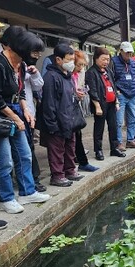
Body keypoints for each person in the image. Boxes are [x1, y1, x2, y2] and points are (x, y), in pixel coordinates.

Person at [0, 28, 50, 214]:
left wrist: (26, 110)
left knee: (24, 154)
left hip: (16, 109)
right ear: (18, 47)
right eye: (33, 51)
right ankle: (6, 199)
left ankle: (27, 192)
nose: (35, 55)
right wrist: (15, 117)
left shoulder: (22, 65)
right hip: (0, 114)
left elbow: (20, 91)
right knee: (4, 160)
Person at [42, 44, 85, 187]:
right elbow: (48, 104)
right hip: (57, 122)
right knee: (56, 150)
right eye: (69, 59)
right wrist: (52, 124)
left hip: (69, 120)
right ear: (58, 60)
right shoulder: (51, 77)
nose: (71, 63)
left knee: (69, 148)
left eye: (73, 59)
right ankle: (57, 175)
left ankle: (70, 171)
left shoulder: (67, 76)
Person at [85, 47, 125, 161]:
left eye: (107, 59)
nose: (106, 62)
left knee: (113, 126)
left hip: (111, 103)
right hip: (100, 104)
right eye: (103, 59)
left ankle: (114, 148)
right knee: (99, 128)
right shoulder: (91, 72)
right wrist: (97, 106)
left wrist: (116, 101)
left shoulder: (109, 71)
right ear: (96, 59)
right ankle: (98, 150)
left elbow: (113, 86)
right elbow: (92, 90)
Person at [72, 50, 98, 172]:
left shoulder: (79, 73)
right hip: (66, 111)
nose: (81, 68)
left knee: (78, 135)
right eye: (79, 65)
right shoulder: (66, 74)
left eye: (83, 65)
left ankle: (82, 162)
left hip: (75, 107)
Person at [112, 41, 135, 151]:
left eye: (131, 53)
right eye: (127, 52)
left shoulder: (133, 63)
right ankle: (118, 142)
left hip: (132, 93)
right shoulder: (113, 62)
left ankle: (130, 140)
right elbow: (111, 77)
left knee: (133, 118)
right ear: (121, 51)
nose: (129, 55)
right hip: (121, 93)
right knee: (119, 120)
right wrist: (116, 91)